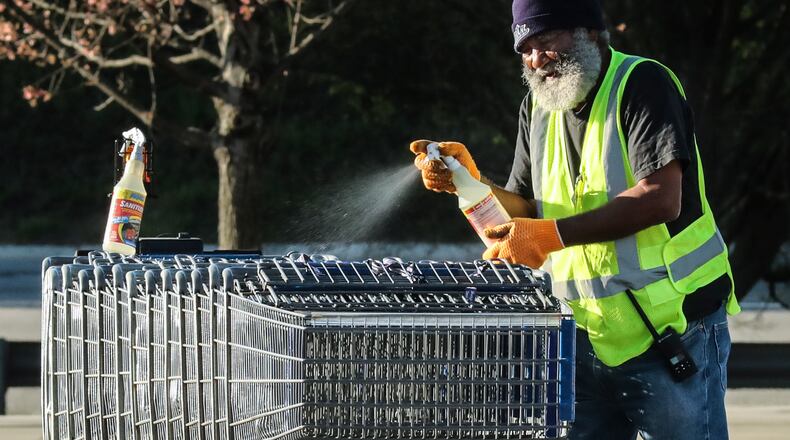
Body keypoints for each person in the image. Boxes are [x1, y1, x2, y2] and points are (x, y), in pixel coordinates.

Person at [409, 0, 740, 439]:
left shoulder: (641, 83)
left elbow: (661, 200)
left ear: (589, 32)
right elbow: (526, 211)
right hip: (583, 334)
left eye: (545, 41)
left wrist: (551, 235)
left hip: (674, 327)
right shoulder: (538, 107)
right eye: (524, 48)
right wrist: (468, 183)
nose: (535, 59)